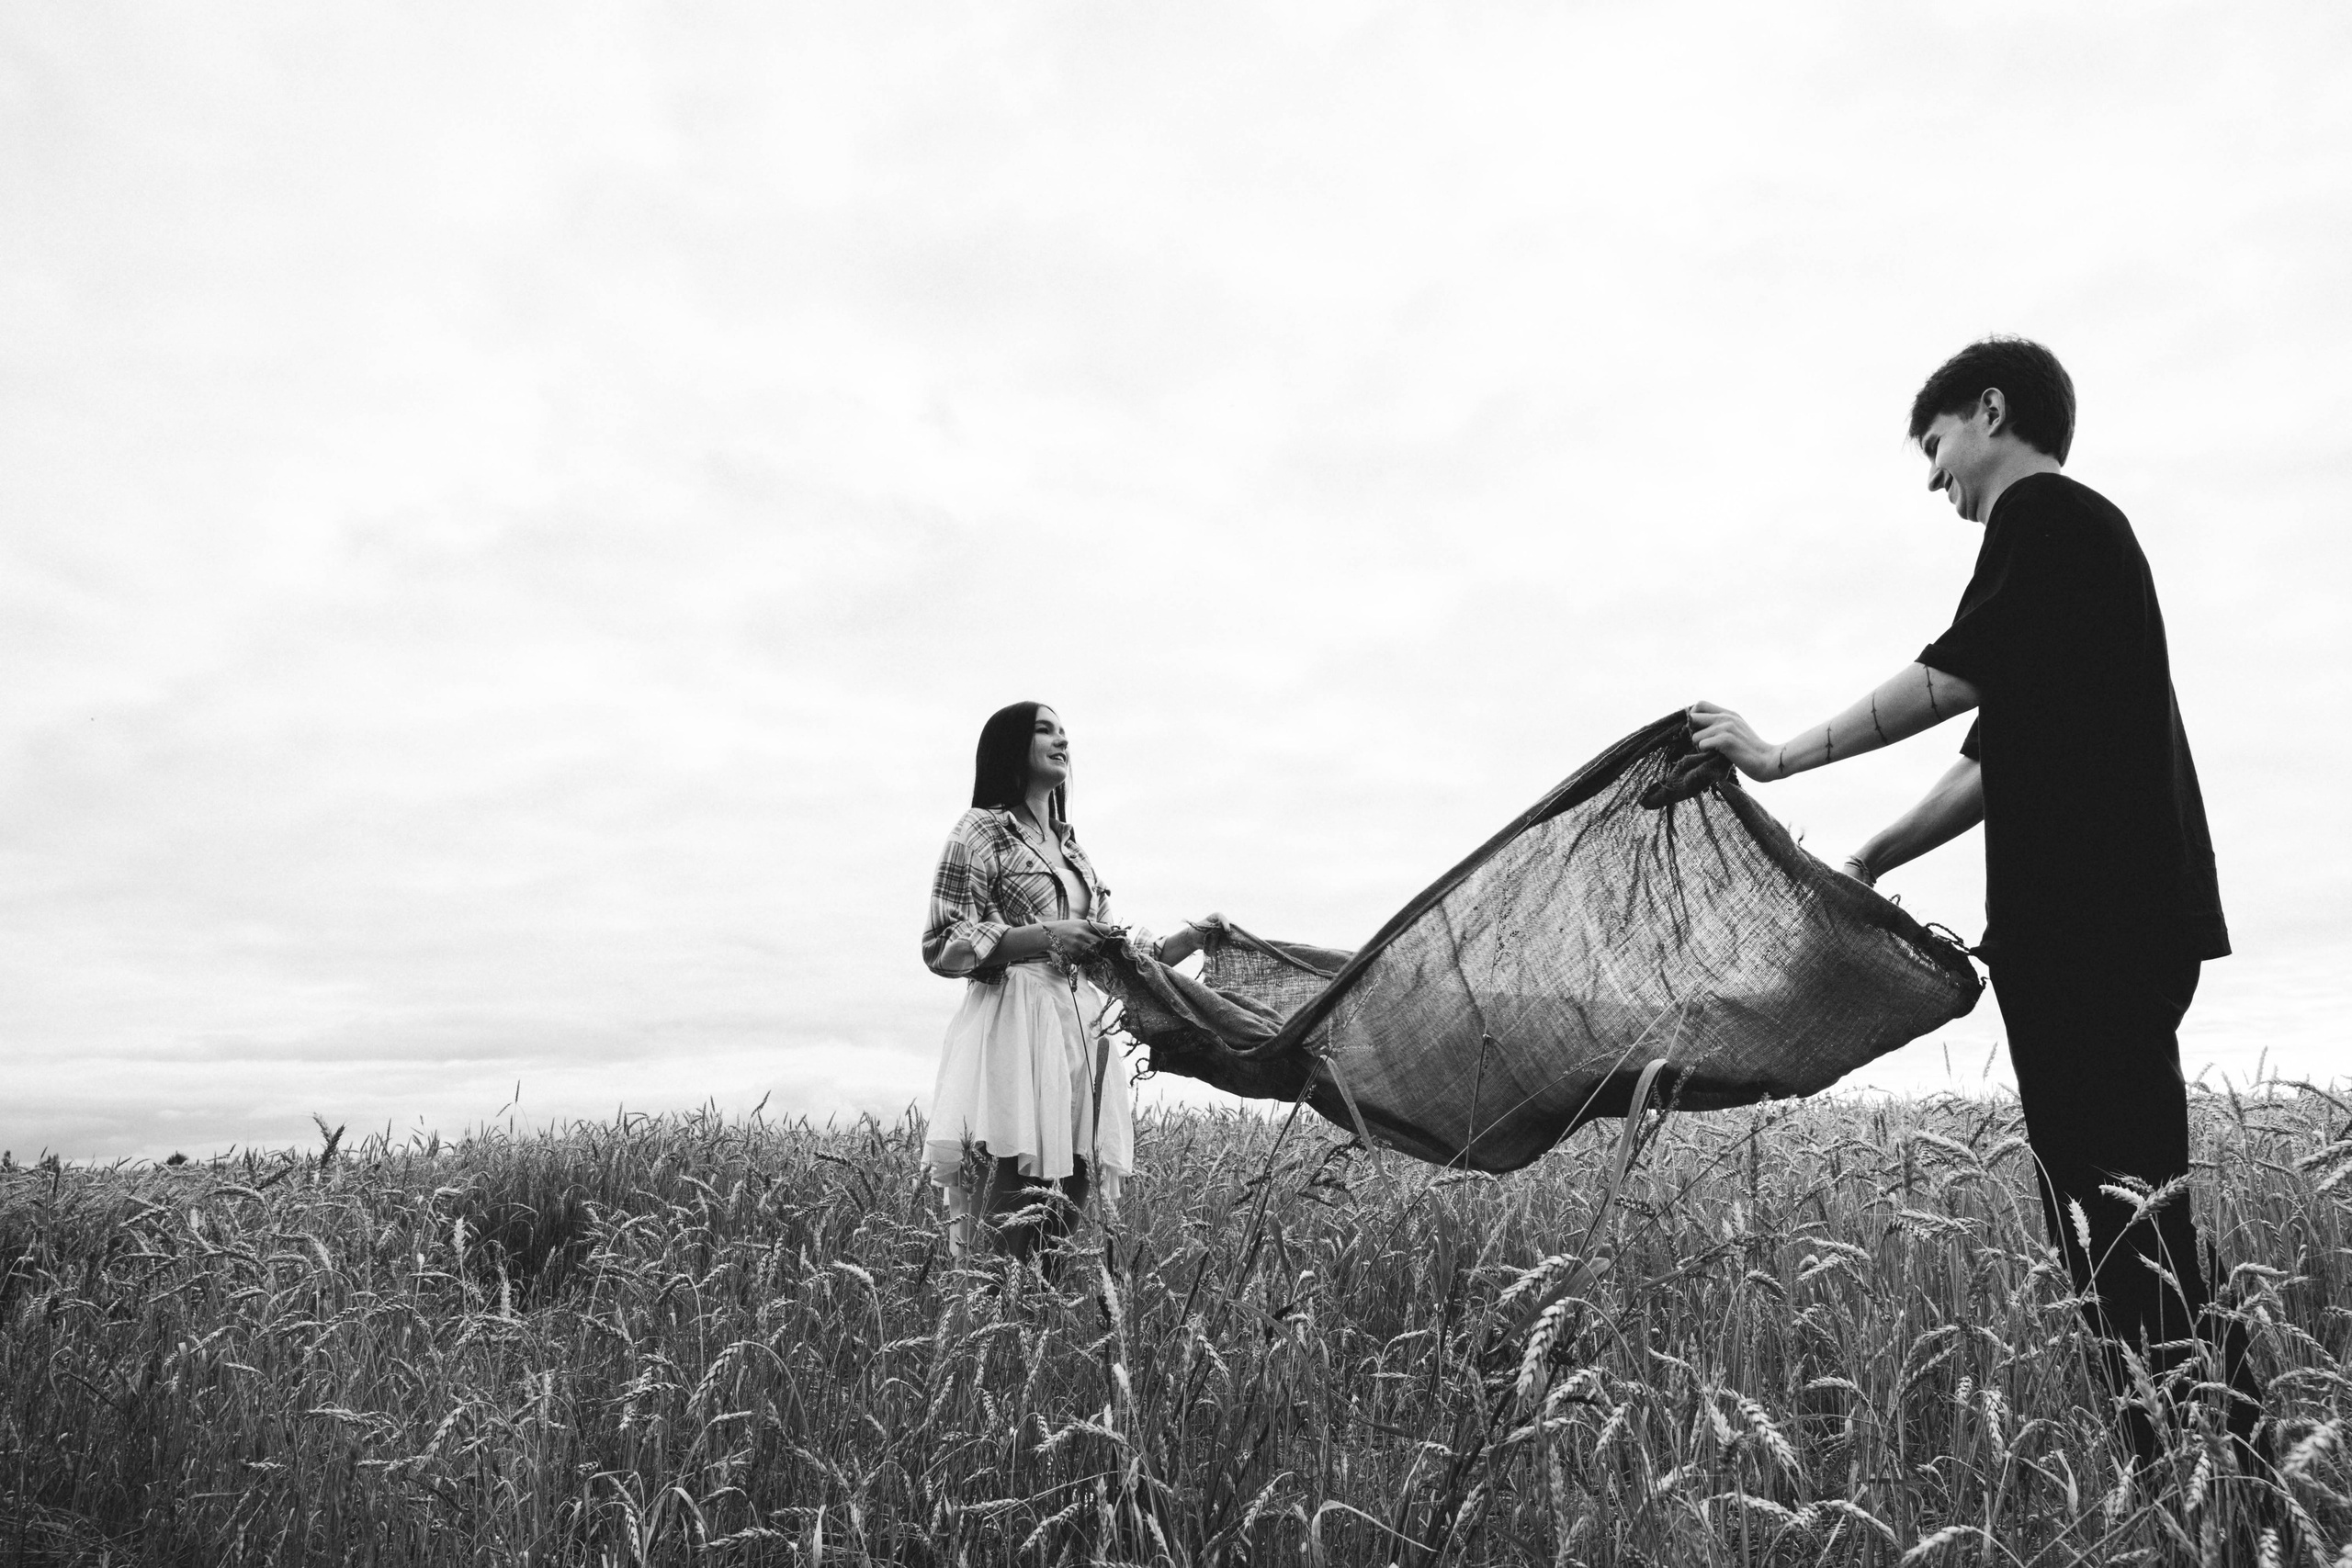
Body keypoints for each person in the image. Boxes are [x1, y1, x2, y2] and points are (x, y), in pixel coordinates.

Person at [1687, 336, 2259, 1467]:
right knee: (2122, 1224)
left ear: (1990, 412)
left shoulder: (2043, 520)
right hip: (2111, 934)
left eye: (1937, 442)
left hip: (2090, 933)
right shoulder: (2076, 555)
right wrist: (1877, 854)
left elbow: (1948, 677)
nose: (1933, 475)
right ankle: (2216, 1487)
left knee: (2121, 1232)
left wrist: (1777, 756)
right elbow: (1995, 755)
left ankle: (2226, 1498)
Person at [922, 701, 1212, 1263]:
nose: (1062, 741)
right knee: (1003, 1213)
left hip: (1079, 1022)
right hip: (1015, 1019)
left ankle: (1035, 1328)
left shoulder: (1073, 849)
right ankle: (987, 1324)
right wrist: (1042, 935)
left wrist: (1192, 938)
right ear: (1011, 746)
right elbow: (942, 945)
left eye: (1064, 733)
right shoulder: (980, 830)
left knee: (1066, 1209)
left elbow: (1114, 953)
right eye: (1045, 730)